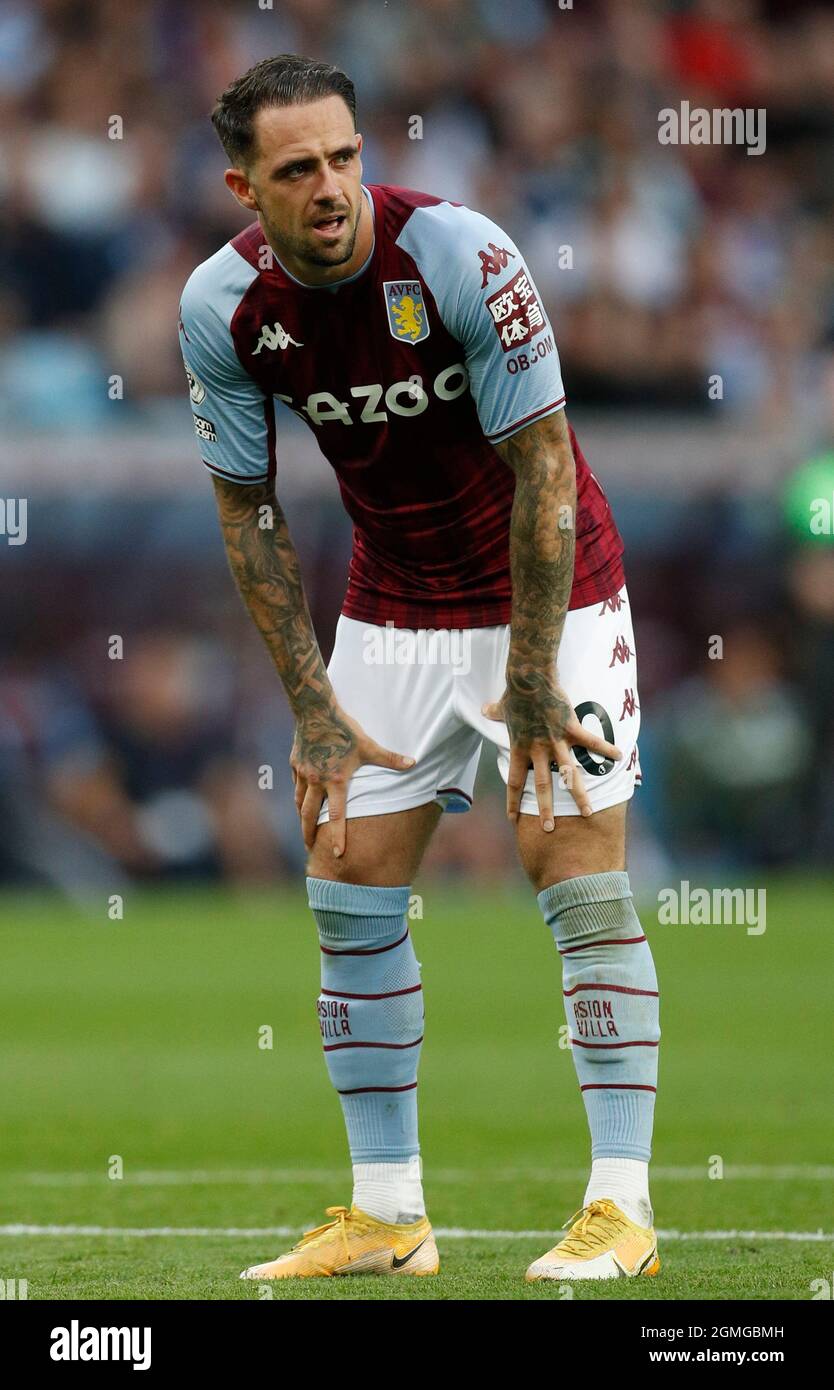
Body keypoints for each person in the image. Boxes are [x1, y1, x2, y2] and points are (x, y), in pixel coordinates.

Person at [178, 54, 660, 1283]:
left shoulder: (462, 256)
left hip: (552, 590)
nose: (331, 186)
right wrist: (312, 708)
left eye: (344, 156)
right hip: (392, 607)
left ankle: (624, 1205)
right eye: (298, 170)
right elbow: (250, 513)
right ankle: (389, 1212)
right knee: (345, 879)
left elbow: (546, 467)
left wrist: (538, 675)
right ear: (247, 185)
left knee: (575, 870)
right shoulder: (222, 306)